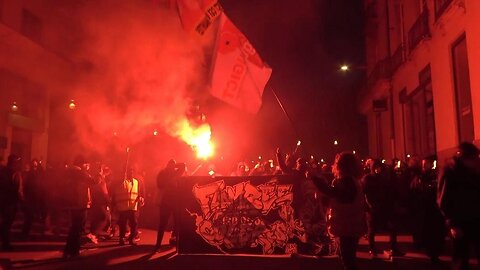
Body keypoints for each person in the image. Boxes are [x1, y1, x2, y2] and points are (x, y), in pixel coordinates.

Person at [309, 152, 366, 270]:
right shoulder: (354, 181)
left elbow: (334, 193)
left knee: (348, 261)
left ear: (341, 165)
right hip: (352, 224)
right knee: (347, 258)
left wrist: (314, 178)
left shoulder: (346, 181)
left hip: (347, 226)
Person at [438, 142, 480, 270]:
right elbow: (443, 200)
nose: (476, 161)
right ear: (464, 158)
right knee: (461, 258)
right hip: (460, 221)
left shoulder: (474, 170)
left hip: (476, 218)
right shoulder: (450, 171)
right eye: (474, 158)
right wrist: (452, 224)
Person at [363, 159, 404, 257]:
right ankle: (372, 249)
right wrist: (370, 205)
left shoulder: (383, 178)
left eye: (379, 167)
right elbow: (365, 193)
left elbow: (388, 191)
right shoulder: (367, 178)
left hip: (384, 206)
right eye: (375, 167)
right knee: (372, 230)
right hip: (372, 208)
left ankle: (393, 248)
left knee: (393, 227)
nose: (378, 169)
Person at [63, 155, 95, 258]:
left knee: (73, 228)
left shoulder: (69, 172)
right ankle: (74, 251)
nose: (87, 166)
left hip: (72, 203)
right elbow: (94, 182)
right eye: (86, 164)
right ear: (82, 164)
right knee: (78, 228)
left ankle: (68, 250)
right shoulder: (80, 173)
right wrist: (100, 174)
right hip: (80, 203)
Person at [154, 159, 185, 251]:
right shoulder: (163, 173)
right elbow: (159, 185)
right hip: (165, 202)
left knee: (177, 223)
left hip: (175, 202)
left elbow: (183, 165)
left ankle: (176, 242)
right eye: (170, 165)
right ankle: (158, 245)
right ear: (167, 165)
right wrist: (168, 175)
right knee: (162, 224)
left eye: (173, 165)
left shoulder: (176, 173)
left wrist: (174, 165)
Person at [112, 167, 144, 246]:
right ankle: (122, 238)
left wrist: (140, 197)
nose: (131, 174)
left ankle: (131, 238)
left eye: (132, 172)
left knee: (134, 223)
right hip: (123, 207)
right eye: (129, 172)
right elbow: (115, 189)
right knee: (123, 223)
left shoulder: (136, 182)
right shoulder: (121, 181)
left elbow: (138, 192)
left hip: (132, 206)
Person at [0, 154, 23, 251]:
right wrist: (21, 201)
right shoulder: (15, 174)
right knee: (7, 223)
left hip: (2, 201)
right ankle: (6, 244)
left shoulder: (2, 171)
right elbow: (18, 190)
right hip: (10, 202)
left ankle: (4, 241)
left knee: (5, 222)